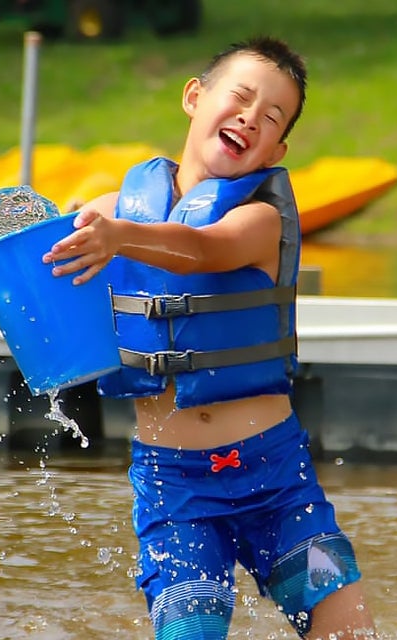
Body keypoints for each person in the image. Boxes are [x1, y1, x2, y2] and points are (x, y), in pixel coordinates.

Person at [41, 37, 377, 639]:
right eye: (241, 98)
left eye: (271, 116)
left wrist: (118, 235)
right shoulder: (113, 211)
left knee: (347, 630)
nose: (252, 116)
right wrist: (7, 296)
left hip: (277, 481)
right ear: (195, 98)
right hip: (174, 488)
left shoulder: (260, 220)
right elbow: (35, 273)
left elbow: (201, 249)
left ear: (277, 148)